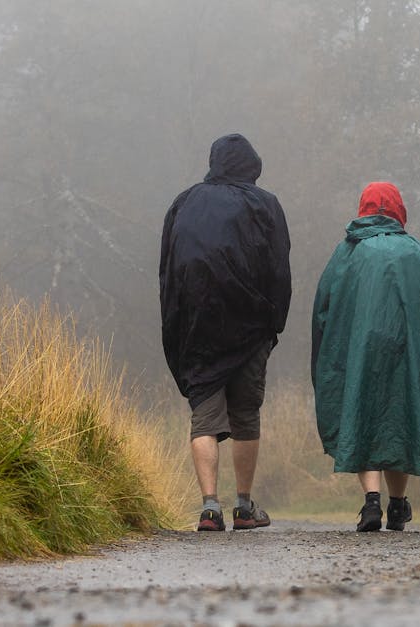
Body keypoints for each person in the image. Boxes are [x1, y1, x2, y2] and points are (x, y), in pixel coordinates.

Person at [159, 133, 291, 532]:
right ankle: (245, 506)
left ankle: (209, 508)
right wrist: (273, 324)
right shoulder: (264, 204)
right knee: (246, 413)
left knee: (204, 416)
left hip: (197, 326)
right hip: (250, 326)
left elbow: (168, 271)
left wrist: (176, 325)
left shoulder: (184, 203)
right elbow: (279, 269)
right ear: (252, 165)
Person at [310, 182, 420, 532]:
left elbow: (322, 312)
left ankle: (371, 502)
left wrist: (323, 364)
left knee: (362, 415)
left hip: (356, 351)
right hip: (408, 351)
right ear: (398, 209)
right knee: (401, 420)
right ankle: (398, 504)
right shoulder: (418, 253)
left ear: (363, 208)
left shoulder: (347, 253)